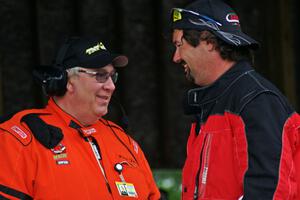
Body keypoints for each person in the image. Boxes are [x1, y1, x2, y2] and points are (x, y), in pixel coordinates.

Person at [0, 37, 160, 200]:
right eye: (100, 75)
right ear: (67, 81)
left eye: (112, 76)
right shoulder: (18, 139)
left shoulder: (123, 141)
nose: (111, 86)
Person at [170, 0, 300, 199]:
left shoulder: (256, 101)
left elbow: (269, 192)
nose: (176, 57)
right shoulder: (213, 102)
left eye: (179, 45)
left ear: (209, 42)